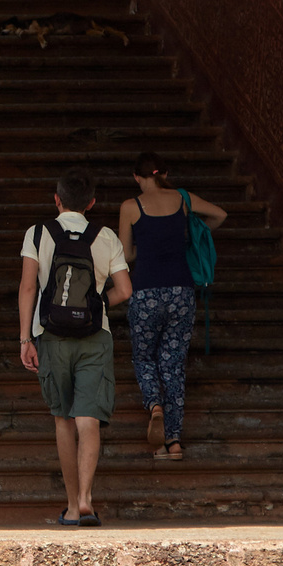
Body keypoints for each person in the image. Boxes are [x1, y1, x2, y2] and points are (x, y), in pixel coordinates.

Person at [17, 169, 133, 528]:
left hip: (50, 335)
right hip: (94, 336)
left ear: (57, 199)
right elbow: (125, 290)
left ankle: (70, 506)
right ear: (92, 203)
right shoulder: (106, 237)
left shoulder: (37, 234)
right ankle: (86, 499)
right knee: (89, 418)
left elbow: (27, 288)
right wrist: (98, 305)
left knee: (64, 419)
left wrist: (25, 338)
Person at [116, 152, 227, 460]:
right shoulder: (183, 198)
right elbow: (220, 215)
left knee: (143, 357)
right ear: (164, 172)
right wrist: (192, 238)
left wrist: (148, 247)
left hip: (146, 292)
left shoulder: (130, 206)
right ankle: (174, 442)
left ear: (136, 178)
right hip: (181, 291)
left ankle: (154, 406)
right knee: (174, 364)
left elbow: (126, 255)